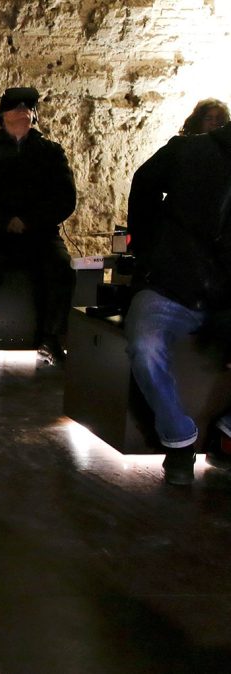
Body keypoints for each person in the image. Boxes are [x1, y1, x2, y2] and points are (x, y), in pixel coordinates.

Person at [125, 120, 231, 485]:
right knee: (145, 345)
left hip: (225, 297)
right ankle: (179, 440)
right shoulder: (191, 151)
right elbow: (144, 184)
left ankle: (227, 433)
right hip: (171, 286)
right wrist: (148, 248)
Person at [0, 86, 77, 364]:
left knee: (61, 268)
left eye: (28, 106)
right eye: (16, 106)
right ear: (2, 115)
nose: (23, 110)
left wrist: (31, 220)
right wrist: (2, 221)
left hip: (38, 233)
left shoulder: (50, 153)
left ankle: (51, 337)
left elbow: (64, 197)